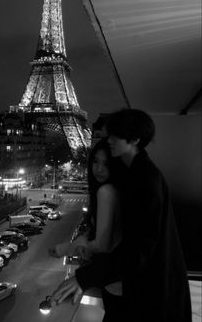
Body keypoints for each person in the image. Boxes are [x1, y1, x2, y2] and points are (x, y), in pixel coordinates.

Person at [51, 109, 192, 322]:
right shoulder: (135, 174)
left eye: (116, 135)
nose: (110, 140)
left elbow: (137, 250)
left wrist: (84, 278)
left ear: (134, 139)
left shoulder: (144, 181)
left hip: (150, 297)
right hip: (141, 290)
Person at [49, 138, 123, 321]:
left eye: (106, 163)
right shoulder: (119, 190)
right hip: (121, 279)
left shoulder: (105, 192)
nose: (98, 168)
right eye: (95, 162)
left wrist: (67, 249)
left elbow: (103, 244)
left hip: (114, 281)